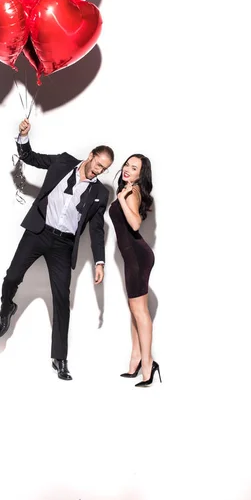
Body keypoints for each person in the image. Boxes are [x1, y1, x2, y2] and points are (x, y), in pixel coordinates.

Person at [0, 118, 114, 380]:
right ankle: (7, 307)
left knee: (61, 299)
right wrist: (23, 136)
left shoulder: (100, 195)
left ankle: (59, 358)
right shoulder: (63, 162)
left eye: (104, 169)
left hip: (63, 245)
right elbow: (30, 157)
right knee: (13, 275)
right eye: (98, 164)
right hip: (38, 232)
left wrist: (99, 262)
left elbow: (96, 230)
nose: (98, 171)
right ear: (91, 155)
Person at [109, 154, 161, 387]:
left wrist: (121, 199)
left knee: (140, 311)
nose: (128, 169)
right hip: (134, 256)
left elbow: (136, 224)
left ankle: (148, 364)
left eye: (134, 167)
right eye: (127, 165)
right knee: (135, 309)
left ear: (141, 174)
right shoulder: (128, 189)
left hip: (137, 257)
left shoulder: (131, 192)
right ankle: (136, 358)